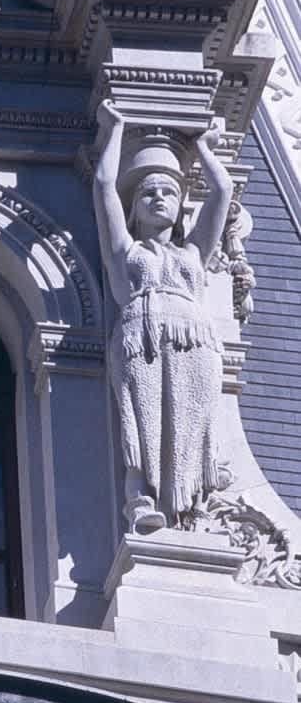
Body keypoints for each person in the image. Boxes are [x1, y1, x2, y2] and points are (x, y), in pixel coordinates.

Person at [93, 100, 233, 532]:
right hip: (143, 336)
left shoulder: (193, 251)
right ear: (133, 209)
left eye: (169, 192)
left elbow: (223, 193)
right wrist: (114, 128)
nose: (159, 197)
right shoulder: (126, 253)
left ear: (178, 208)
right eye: (149, 192)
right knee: (143, 419)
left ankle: (189, 505)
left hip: (196, 342)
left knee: (193, 422)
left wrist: (205, 148)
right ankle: (140, 500)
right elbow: (102, 184)